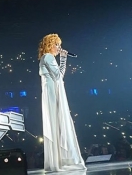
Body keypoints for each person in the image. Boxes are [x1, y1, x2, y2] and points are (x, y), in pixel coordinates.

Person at [38, 33, 86, 172]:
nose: (59, 47)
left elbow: (58, 76)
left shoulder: (47, 58)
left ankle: (58, 160)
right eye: (57, 44)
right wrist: (64, 59)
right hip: (52, 92)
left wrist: (62, 59)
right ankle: (59, 161)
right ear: (50, 45)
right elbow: (58, 75)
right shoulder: (47, 56)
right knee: (56, 120)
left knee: (56, 122)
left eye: (59, 45)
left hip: (52, 89)